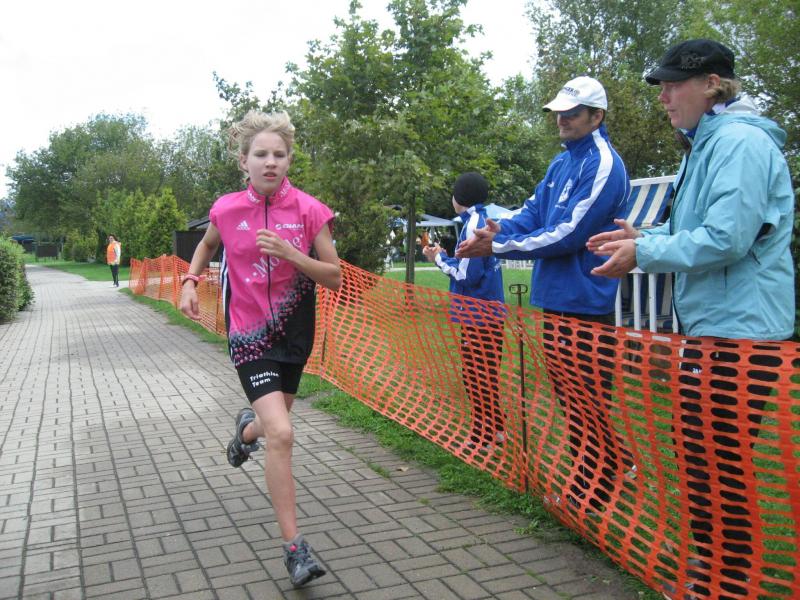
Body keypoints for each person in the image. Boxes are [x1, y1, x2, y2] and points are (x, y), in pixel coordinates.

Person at [588, 39, 795, 599]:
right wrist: (644, 235)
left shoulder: (739, 143)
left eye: (674, 84)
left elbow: (727, 238)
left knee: (717, 462)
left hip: (742, 332)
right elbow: (697, 228)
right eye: (661, 86)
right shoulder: (706, 143)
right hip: (714, 328)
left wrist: (644, 252)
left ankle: (728, 577)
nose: (664, 97)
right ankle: (718, 570)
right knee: (701, 455)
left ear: (712, 84)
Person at [179, 110, 341, 588]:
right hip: (249, 335)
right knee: (283, 434)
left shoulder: (310, 210)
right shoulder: (227, 209)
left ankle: (245, 432)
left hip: (294, 334)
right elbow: (207, 246)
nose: (271, 162)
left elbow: (334, 276)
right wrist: (190, 281)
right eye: (261, 154)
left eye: (279, 154)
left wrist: (292, 255)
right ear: (244, 161)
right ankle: (295, 549)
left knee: (272, 427)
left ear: (289, 160)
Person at [456, 76, 632, 512]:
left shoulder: (603, 164)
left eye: (572, 113)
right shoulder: (562, 161)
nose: (562, 120)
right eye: (558, 113)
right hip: (555, 298)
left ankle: (591, 493)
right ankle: (616, 464)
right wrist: (498, 229)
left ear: (597, 116)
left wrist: (497, 246)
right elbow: (534, 213)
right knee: (572, 397)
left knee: (585, 398)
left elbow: (569, 233)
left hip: (587, 300)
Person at [422, 172, 505, 451]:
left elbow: (466, 275)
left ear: (459, 198)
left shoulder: (473, 225)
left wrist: (438, 259)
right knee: (485, 375)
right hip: (488, 314)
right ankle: (497, 429)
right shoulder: (479, 220)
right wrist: (447, 256)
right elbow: (469, 265)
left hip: (478, 316)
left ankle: (483, 435)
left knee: (477, 377)